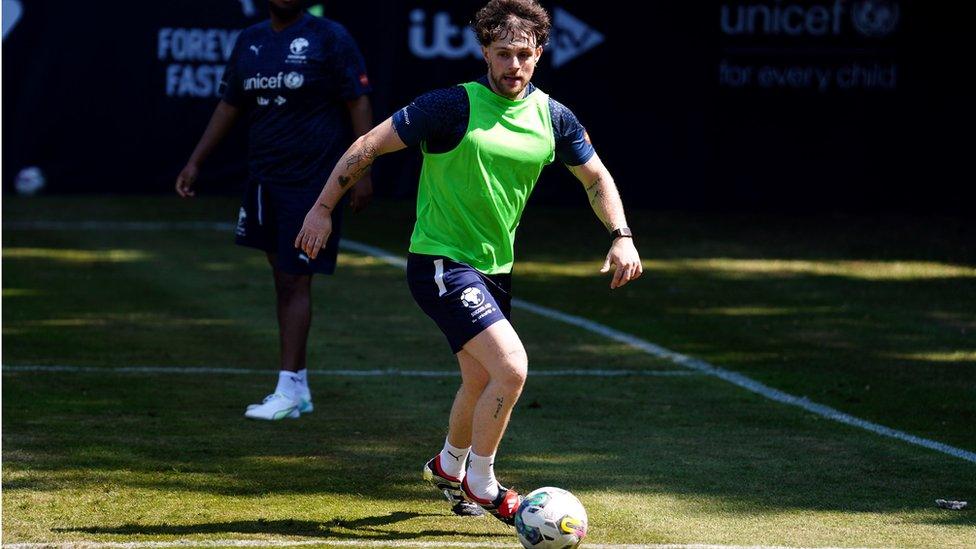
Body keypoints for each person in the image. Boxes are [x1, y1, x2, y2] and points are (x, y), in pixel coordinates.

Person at [295, 0, 642, 523]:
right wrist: (323, 208)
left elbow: (596, 178)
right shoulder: (451, 106)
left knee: (480, 381)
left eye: (524, 54)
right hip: (441, 261)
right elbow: (368, 145)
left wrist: (621, 235)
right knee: (512, 368)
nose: (513, 66)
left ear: (540, 54)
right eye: (502, 53)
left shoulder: (554, 117)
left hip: (494, 269)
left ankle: (448, 464)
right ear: (484, 52)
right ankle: (481, 483)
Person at [175, 0, 374, 421]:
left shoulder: (330, 37)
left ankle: (290, 387)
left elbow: (358, 102)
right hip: (264, 176)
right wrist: (196, 161)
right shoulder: (251, 40)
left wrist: (362, 172)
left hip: (313, 180)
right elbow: (229, 104)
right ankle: (296, 387)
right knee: (282, 278)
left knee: (293, 278)